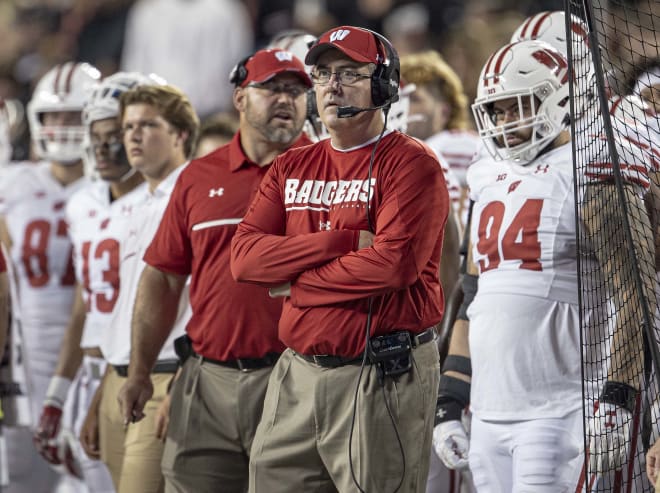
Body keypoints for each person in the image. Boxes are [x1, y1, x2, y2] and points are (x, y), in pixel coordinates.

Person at [230, 26, 447, 492]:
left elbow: (393, 266)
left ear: (384, 85)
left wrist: (297, 285)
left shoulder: (412, 163)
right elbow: (244, 259)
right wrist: (341, 244)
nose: (332, 85)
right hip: (297, 373)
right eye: (324, 73)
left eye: (350, 73)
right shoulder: (291, 164)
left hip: (380, 376)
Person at [117, 48, 313, 493]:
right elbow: (163, 277)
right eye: (272, 88)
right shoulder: (198, 177)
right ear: (240, 98)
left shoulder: (331, 172)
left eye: (297, 90)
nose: (286, 99)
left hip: (300, 377)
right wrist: (140, 372)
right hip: (207, 380)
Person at [434, 39, 590, 492]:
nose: (506, 123)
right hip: (487, 409)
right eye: (498, 111)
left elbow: (627, 292)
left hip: (558, 406)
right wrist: (450, 403)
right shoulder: (486, 173)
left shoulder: (586, 168)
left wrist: (620, 393)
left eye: (518, 107)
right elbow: (471, 299)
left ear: (558, 100)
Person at [33, 72, 159, 493]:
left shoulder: (161, 202)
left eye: (117, 131)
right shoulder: (82, 203)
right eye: (96, 132)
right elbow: (85, 304)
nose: (103, 145)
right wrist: (57, 391)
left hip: (135, 373)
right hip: (89, 371)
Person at [85, 83, 199, 493]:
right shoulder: (134, 203)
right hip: (123, 375)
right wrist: (107, 382)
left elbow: (209, 293)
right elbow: (125, 306)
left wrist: (189, 374)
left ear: (180, 134)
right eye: (128, 126)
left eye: (147, 125)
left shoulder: (196, 191)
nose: (132, 135)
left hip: (167, 372)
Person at [0, 61, 100, 493]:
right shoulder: (12, 184)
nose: (62, 127)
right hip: (25, 364)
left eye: (75, 115)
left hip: (94, 362)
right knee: (24, 483)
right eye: (53, 116)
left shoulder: (115, 187)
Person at [400, 49, 480, 233]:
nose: (401, 107)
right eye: (397, 98)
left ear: (443, 112)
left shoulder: (454, 144)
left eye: (413, 99)